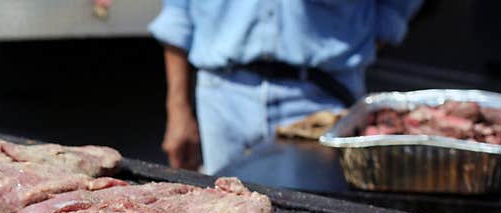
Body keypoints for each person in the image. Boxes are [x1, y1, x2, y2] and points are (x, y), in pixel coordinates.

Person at [150, 0, 423, 174]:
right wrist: (178, 109)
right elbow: (178, 13)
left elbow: (396, 8)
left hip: (321, 96)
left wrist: (377, 32)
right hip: (222, 94)